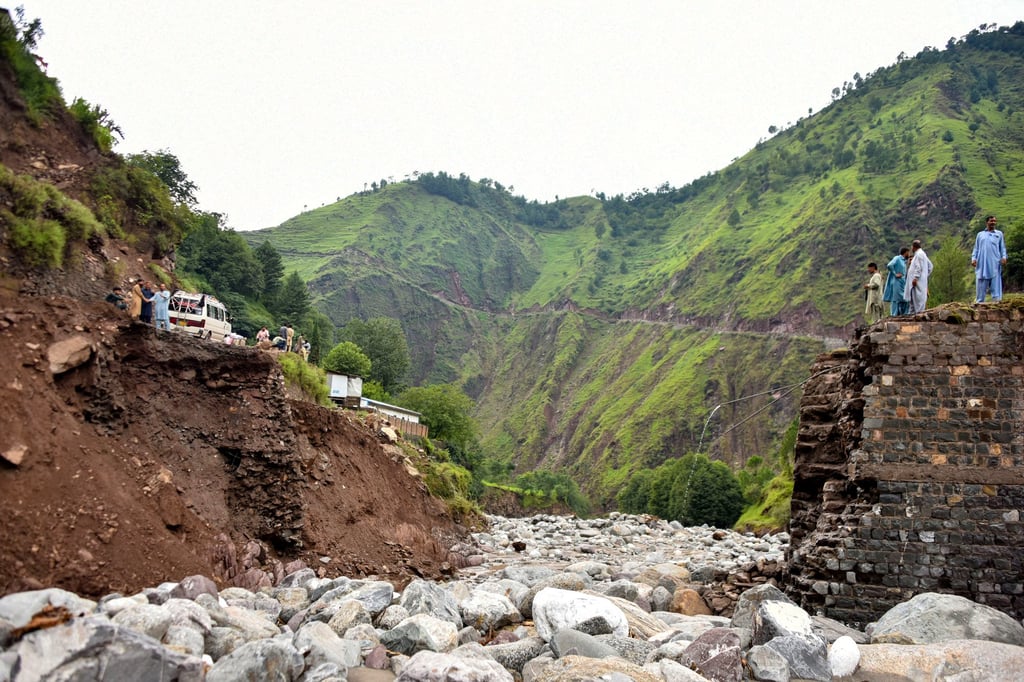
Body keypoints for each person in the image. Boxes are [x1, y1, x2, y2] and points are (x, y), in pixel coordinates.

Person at [971, 215, 1007, 303]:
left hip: (994, 263)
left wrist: (1004, 257)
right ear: (987, 222)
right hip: (982, 264)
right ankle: (979, 302)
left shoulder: (999, 234)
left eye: (994, 221)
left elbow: (1002, 248)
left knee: (995, 283)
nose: (993, 223)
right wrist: (973, 258)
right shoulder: (980, 235)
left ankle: (997, 302)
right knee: (981, 282)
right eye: (991, 221)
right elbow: (976, 248)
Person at [903, 239, 933, 313]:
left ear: (914, 247)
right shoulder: (922, 254)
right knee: (914, 301)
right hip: (919, 282)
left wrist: (916, 278)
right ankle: (912, 316)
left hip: (917, 283)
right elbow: (930, 266)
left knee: (918, 300)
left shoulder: (919, 254)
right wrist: (924, 276)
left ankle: (918, 316)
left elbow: (918, 267)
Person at [883, 247, 910, 316]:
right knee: (896, 299)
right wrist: (895, 274)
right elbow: (890, 265)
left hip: (902, 283)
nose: (909, 254)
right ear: (906, 252)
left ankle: (904, 314)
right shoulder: (897, 258)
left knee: (905, 299)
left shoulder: (904, 261)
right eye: (908, 252)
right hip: (897, 283)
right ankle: (894, 314)